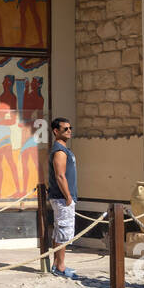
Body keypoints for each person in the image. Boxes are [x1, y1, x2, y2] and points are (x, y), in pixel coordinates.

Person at [47, 117, 78, 278]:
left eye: (70, 128)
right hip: (61, 198)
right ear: (56, 131)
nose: (69, 131)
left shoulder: (64, 149)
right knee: (64, 232)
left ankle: (56, 264)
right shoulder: (59, 151)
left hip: (62, 197)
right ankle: (60, 266)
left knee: (60, 231)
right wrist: (68, 197)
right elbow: (60, 176)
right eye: (65, 129)